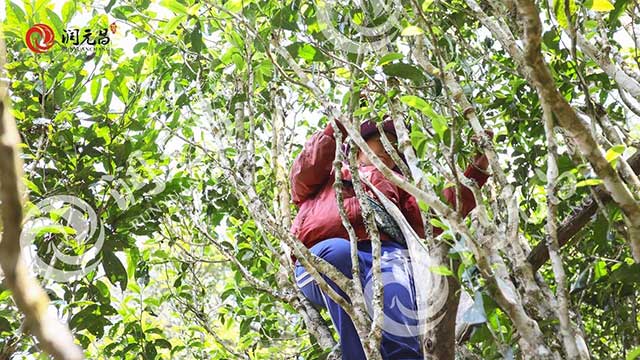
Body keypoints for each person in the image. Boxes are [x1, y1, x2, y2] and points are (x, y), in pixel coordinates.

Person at [290, 118, 490, 359]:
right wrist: (339, 128)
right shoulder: (329, 170)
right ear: (359, 144)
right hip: (321, 256)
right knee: (339, 254)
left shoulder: (397, 184)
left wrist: (475, 171)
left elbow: (434, 213)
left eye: (395, 146)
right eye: (381, 141)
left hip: (384, 254)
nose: (389, 149)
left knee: (398, 291)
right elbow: (302, 174)